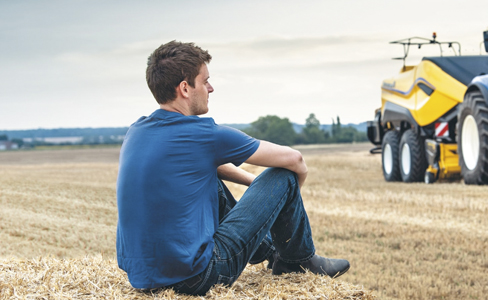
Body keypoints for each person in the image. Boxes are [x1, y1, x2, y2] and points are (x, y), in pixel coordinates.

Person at [116, 40, 350, 296]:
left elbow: (206, 167)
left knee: (207, 181)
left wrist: (257, 189)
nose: (211, 88)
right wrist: (284, 194)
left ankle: (271, 252)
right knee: (283, 175)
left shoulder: (137, 131)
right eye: (205, 81)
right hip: (198, 276)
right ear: (185, 88)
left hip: (143, 278)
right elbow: (295, 160)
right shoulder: (203, 134)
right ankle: (298, 260)